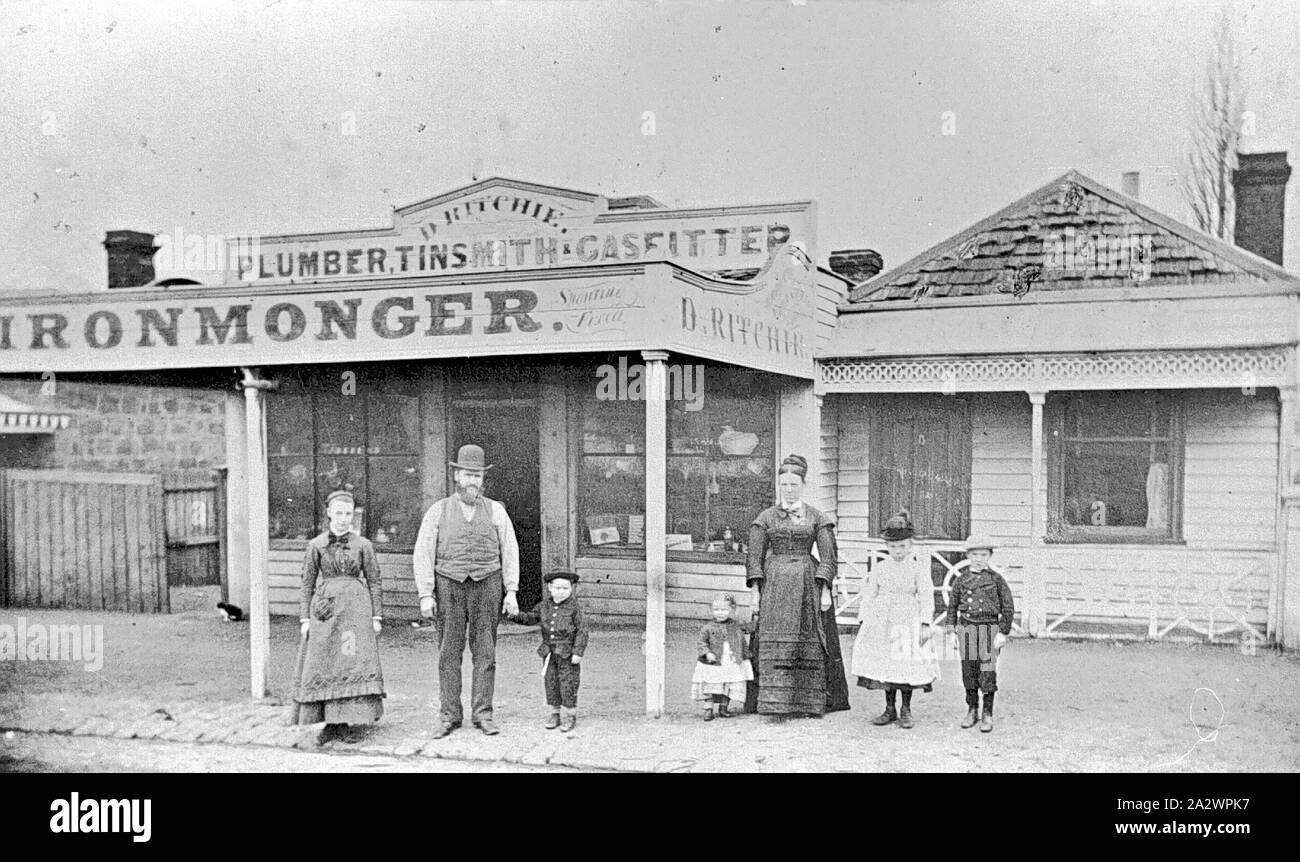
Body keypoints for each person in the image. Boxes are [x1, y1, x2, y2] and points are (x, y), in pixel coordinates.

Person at [413, 444, 521, 738]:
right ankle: (449, 715)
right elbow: (423, 553)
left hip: (488, 584)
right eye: (467, 475)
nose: (472, 481)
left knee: (485, 653)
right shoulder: (438, 511)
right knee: (448, 653)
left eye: (477, 476)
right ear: (456, 476)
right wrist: (426, 594)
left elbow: (509, 551)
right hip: (449, 585)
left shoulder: (496, 510)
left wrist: (511, 590)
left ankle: (483, 714)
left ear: (482, 479)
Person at [744, 453, 851, 717]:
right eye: (784, 485)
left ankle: (809, 702)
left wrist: (825, 590)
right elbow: (754, 557)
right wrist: (755, 592)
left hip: (807, 586)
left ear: (803, 485)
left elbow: (828, 556)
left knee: (810, 638)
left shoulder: (817, 517)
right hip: (775, 587)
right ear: (779, 485)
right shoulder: (766, 517)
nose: (789, 490)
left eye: (794, 484)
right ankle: (771, 701)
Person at [291, 490, 385, 745]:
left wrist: (376, 616)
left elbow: (374, 581)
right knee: (326, 661)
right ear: (329, 513)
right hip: (325, 613)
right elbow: (306, 584)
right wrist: (304, 619)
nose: (344, 519)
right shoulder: (316, 545)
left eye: (348, 514)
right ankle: (330, 723)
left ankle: (346, 721)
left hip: (355, 613)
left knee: (349, 660)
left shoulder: (363, 545)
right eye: (339, 513)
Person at [850, 510, 939, 730]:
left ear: (910, 545)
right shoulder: (880, 567)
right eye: (892, 547)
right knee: (886, 664)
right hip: (882, 619)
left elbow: (927, 594)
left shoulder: (918, 567)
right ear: (886, 546)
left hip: (908, 617)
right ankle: (889, 708)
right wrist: (864, 620)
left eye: (902, 546)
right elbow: (870, 594)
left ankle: (905, 709)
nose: (897, 551)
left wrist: (926, 622)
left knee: (905, 663)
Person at [942, 535, 1015, 733]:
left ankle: (987, 714)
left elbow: (1008, 607)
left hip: (989, 630)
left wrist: (1002, 632)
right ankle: (972, 710)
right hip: (966, 629)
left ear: (990, 556)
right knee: (969, 672)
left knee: (987, 673)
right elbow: (952, 609)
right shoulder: (961, 580)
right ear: (967, 555)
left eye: (983, 554)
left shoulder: (996, 580)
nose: (979, 558)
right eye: (975, 554)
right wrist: (951, 632)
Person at [507, 571, 588, 733]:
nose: (561, 591)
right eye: (557, 587)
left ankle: (570, 715)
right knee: (551, 683)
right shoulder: (544, 606)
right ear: (550, 588)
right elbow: (530, 618)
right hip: (549, 653)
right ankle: (555, 714)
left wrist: (578, 652)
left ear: (571, 589)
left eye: (565, 588)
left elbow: (582, 631)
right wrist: (514, 615)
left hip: (567, 654)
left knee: (568, 684)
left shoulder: (575, 608)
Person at [691, 593, 753, 720]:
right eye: (716, 610)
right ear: (711, 610)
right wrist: (707, 652)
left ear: (732, 609)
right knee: (711, 683)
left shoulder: (736, 625)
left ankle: (724, 708)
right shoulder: (707, 628)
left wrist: (756, 616)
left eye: (724, 610)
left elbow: (750, 628)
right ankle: (708, 709)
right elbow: (701, 642)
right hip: (714, 661)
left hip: (731, 660)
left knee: (728, 683)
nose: (720, 613)